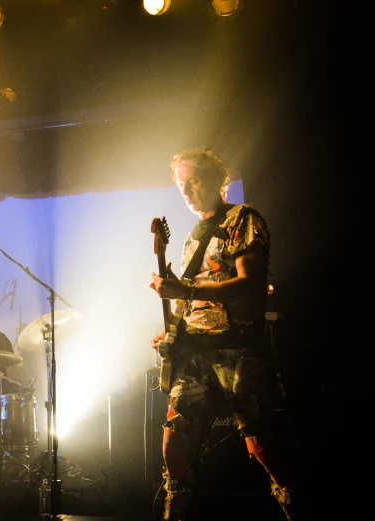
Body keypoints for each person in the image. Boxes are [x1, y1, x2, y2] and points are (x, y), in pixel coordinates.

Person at [148, 148, 299, 520]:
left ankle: (296, 503)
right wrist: (172, 327)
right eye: (181, 184)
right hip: (195, 352)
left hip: (240, 350)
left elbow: (249, 284)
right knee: (175, 443)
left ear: (217, 179)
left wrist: (185, 292)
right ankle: (176, 512)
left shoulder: (243, 219)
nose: (187, 190)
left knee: (262, 443)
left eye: (194, 180)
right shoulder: (192, 237)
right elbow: (195, 295)